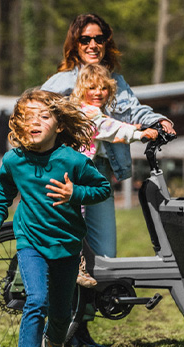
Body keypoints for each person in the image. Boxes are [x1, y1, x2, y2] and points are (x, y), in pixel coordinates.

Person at [41, 13, 175, 347]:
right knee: (70, 251)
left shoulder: (112, 79)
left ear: (107, 41)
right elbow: (34, 116)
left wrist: (157, 120)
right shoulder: (59, 83)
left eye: (99, 38)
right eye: (85, 39)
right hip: (68, 174)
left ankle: (81, 328)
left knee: (103, 254)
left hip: (98, 174)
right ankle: (61, 328)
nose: (92, 45)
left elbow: (132, 111)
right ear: (75, 42)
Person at [0, 89, 111, 347]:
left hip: (67, 244)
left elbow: (103, 188)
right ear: (18, 124)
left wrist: (74, 193)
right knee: (36, 300)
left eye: (44, 115)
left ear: (59, 125)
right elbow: (3, 192)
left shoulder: (71, 160)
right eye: (28, 117)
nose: (35, 122)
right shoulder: (14, 160)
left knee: (60, 312)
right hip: (31, 241)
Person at [69, 63, 159, 286]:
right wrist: (138, 133)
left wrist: (134, 126)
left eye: (103, 88)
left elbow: (109, 124)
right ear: (81, 90)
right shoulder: (86, 112)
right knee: (75, 222)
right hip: (77, 175)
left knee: (79, 221)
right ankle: (76, 266)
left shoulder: (91, 111)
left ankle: (83, 267)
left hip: (85, 173)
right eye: (91, 88)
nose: (98, 93)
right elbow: (109, 128)